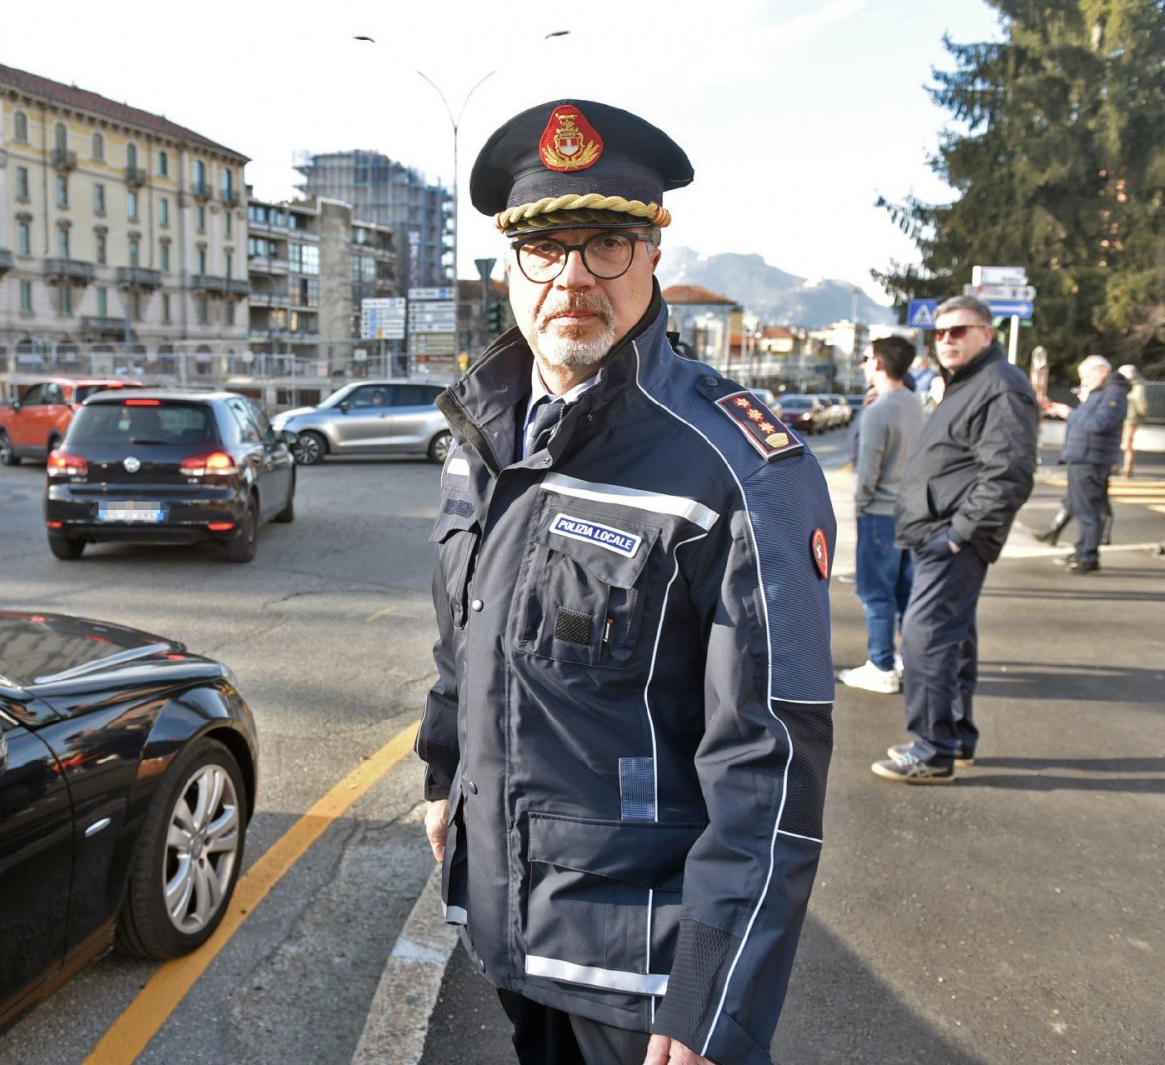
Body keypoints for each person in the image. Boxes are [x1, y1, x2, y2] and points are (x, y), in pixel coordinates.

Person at [417, 99, 836, 1065]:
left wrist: (708, 1000)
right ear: (509, 268)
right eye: (544, 248)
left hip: (646, 980)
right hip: (514, 924)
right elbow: (463, 637)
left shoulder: (733, 466)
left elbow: (770, 768)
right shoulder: (485, 433)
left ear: (653, 258)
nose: (572, 276)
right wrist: (443, 772)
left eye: (605, 243)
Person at [875, 296, 1038, 783]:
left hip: (952, 540)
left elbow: (1008, 474)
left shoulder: (1000, 386)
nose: (946, 340)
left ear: (987, 335)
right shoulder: (968, 382)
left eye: (959, 331)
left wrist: (959, 535)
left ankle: (932, 749)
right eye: (940, 333)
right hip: (939, 534)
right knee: (954, 642)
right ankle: (956, 737)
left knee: (925, 640)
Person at [837, 336, 925, 694]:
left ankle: (881, 665)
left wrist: (860, 504)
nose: (862, 364)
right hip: (911, 510)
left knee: (876, 593)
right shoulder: (915, 403)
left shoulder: (879, 410)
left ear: (878, 363)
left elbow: (867, 468)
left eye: (865, 358)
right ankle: (910, 659)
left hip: (879, 512)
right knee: (906, 593)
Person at [1044, 357, 1127, 573]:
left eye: (1087, 376)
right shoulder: (1103, 393)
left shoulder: (1113, 394)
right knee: (1080, 505)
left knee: (1088, 509)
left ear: (1101, 372)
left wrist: (1070, 413)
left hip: (1091, 458)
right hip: (1084, 456)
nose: (1084, 381)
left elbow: (1098, 423)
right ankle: (1082, 550)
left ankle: (1088, 556)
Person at [1116, 364, 1147, 477]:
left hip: (1126, 417)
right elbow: (1142, 405)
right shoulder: (1137, 387)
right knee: (1127, 443)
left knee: (1123, 443)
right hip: (1129, 417)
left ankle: (1125, 468)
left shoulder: (1126, 386)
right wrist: (1143, 415)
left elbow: (1140, 403)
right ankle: (1125, 468)